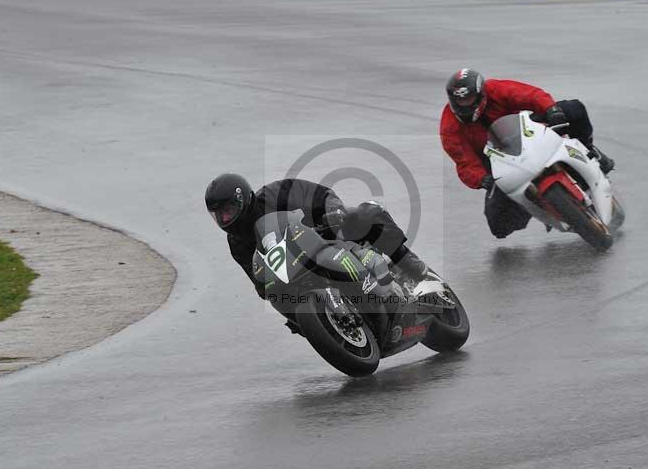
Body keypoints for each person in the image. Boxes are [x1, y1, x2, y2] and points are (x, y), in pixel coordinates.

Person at [439, 68, 615, 239]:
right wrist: (482, 179)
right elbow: (464, 162)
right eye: (460, 101)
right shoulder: (449, 128)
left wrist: (551, 110)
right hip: (494, 159)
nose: (465, 105)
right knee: (498, 226)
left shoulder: (496, 89)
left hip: (524, 131)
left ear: (480, 94)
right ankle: (535, 205)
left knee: (574, 109)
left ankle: (590, 149)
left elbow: (529, 94)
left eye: (469, 99)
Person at [205, 173, 428, 302]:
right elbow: (259, 281)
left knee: (361, 214)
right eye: (219, 215)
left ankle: (405, 260)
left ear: (243, 200)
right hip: (299, 273)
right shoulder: (237, 244)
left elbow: (321, 195)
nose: (225, 218)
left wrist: (334, 212)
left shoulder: (275, 194)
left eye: (228, 210)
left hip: (327, 239)